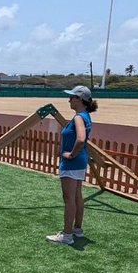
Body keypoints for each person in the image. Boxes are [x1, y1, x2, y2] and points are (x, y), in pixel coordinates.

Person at [47, 85, 98, 245]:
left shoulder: (78, 118)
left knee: (69, 198)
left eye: (72, 97)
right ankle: (77, 229)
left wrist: (71, 154)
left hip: (72, 163)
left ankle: (67, 235)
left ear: (79, 100)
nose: (69, 100)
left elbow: (81, 139)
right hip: (80, 161)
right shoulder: (84, 116)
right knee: (77, 196)